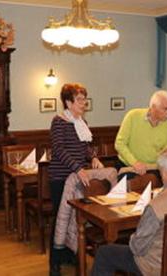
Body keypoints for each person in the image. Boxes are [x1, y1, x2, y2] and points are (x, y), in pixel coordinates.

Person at [91, 145, 167, 276]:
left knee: (104, 253)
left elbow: (137, 248)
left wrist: (132, 236)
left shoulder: (157, 205)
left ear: (164, 172)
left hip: (157, 267)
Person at [48, 83, 104, 276]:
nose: (84, 103)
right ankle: (54, 264)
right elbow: (59, 150)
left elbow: (85, 148)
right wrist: (78, 168)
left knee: (76, 219)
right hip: (60, 178)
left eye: (85, 99)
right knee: (60, 220)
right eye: (80, 99)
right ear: (68, 102)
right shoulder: (59, 121)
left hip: (77, 178)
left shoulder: (82, 123)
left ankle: (72, 256)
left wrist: (93, 157)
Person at [115, 90, 167, 179]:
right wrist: (134, 163)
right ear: (153, 107)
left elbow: (166, 153)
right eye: (165, 109)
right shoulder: (133, 116)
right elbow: (119, 144)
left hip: (153, 169)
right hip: (129, 166)